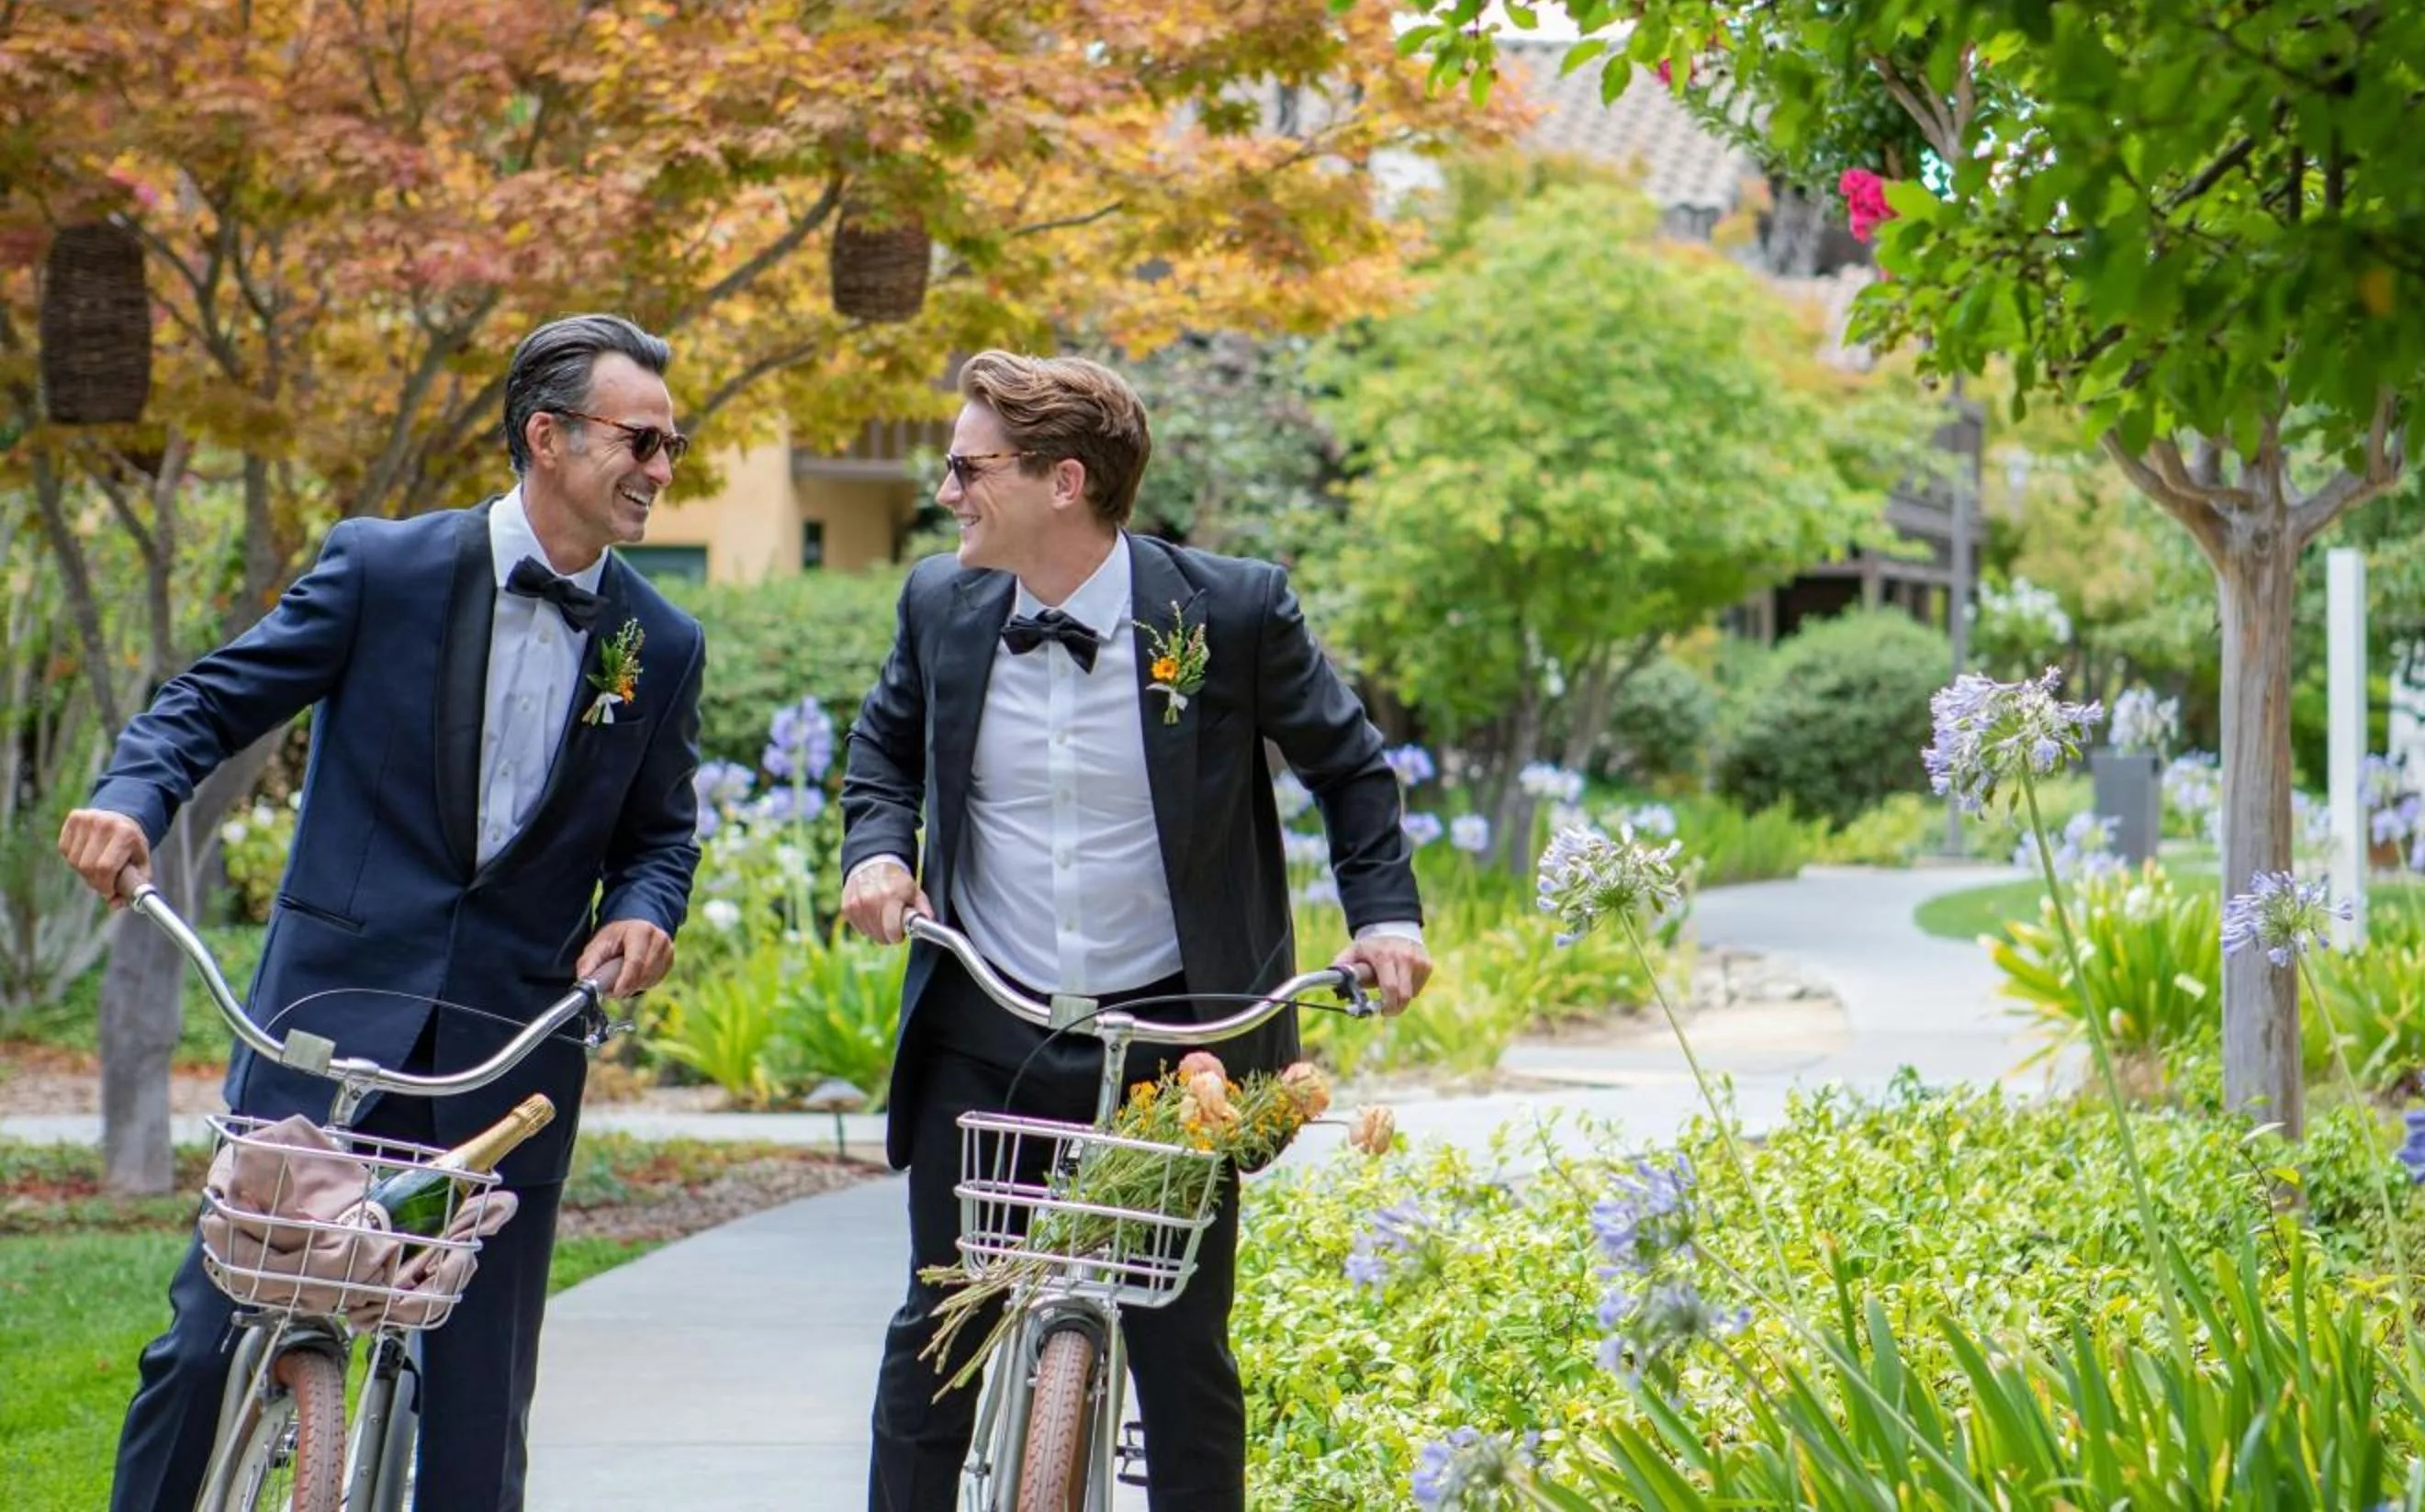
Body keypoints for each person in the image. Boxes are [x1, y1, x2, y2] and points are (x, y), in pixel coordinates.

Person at [57, 313, 707, 1512]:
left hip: (508, 1061)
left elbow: (661, 835)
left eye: (675, 444)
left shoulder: (658, 643)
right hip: (325, 1030)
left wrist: (644, 911)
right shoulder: (384, 568)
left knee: (477, 1426)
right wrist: (132, 798)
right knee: (203, 1351)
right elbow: (212, 702)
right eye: (642, 440)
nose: (662, 469)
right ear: (547, 436)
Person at [838, 350, 1431, 1512]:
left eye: (968, 467)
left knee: (1182, 1349)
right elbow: (882, 748)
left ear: (1063, 480)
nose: (947, 491)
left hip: (1177, 1040)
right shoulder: (939, 603)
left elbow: (1352, 768)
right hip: (988, 1018)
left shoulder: (1232, 610)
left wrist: (1386, 919)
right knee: (941, 1328)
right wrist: (877, 850)